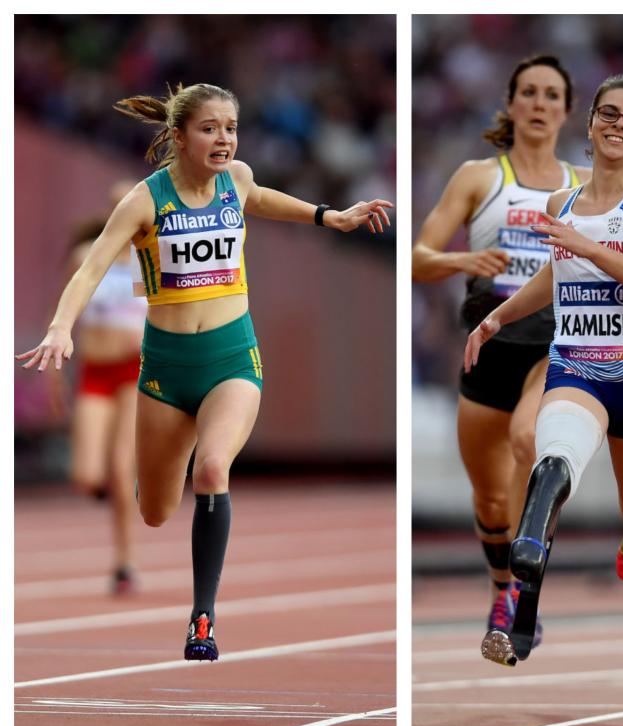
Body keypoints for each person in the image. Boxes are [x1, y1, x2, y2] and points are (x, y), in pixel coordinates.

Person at [18, 83, 392, 661]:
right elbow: (91, 267)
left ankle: (202, 618)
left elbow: (262, 198)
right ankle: (152, 470)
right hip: (167, 369)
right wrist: (61, 327)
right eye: (210, 128)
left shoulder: (235, 179)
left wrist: (329, 216)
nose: (223, 140)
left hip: (231, 357)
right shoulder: (146, 200)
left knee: (213, 467)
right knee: (155, 510)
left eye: (231, 128)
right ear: (178, 137)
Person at [464, 74, 623, 665]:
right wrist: (497, 318)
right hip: (577, 369)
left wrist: (594, 248)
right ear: (591, 122)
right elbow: (556, 274)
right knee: (551, 461)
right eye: (610, 115)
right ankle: (526, 571)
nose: (619, 126)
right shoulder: (559, 205)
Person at [412, 55, 590, 660]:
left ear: (567, 111)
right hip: (486, 348)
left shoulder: (583, 186)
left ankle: (526, 583)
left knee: (528, 442)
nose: (540, 104)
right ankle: (502, 591)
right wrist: (465, 262)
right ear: (512, 105)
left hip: (555, 344)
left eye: (551, 95)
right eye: (530, 94)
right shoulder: (479, 177)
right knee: (489, 501)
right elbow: (417, 258)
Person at [49, 192, 145, 595]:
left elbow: (163, 310)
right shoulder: (89, 254)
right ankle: (115, 486)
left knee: (121, 473)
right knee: (86, 475)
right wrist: (53, 377)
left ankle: (124, 563)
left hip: (133, 371)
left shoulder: (148, 259)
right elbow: (64, 307)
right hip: (95, 371)